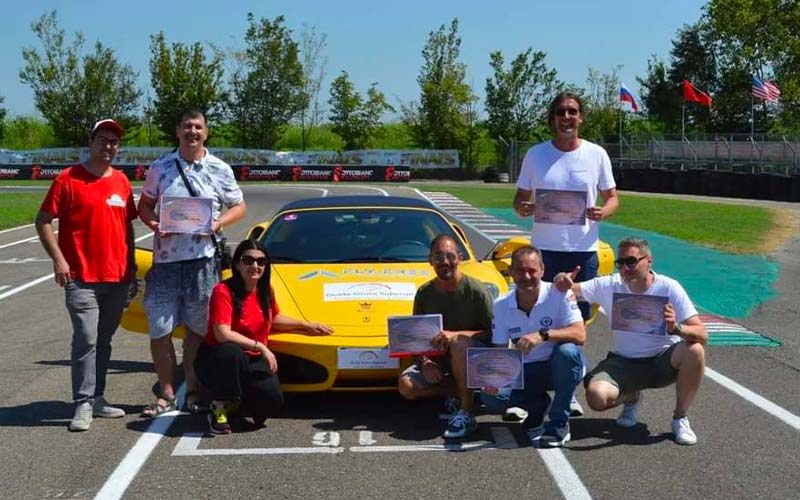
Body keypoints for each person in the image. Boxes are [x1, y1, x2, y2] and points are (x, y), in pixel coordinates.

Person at [513, 91, 619, 416]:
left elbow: (613, 198)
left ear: (580, 117)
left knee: (575, 324)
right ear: (553, 118)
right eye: (561, 111)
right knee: (542, 320)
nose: (567, 117)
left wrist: (603, 211)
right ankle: (533, 392)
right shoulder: (535, 155)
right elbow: (518, 200)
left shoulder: (596, 154)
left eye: (572, 111)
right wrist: (524, 208)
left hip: (581, 253)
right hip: (544, 253)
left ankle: (567, 391)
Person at [138, 108, 247, 417]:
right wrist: (154, 224)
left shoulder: (220, 168)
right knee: (159, 331)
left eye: (198, 127)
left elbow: (239, 206)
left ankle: (194, 392)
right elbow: (145, 205)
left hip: (203, 262)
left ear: (206, 132)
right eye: (187, 126)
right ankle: (166, 393)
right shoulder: (160, 167)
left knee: (197, 332)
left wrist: (218, 223)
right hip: (166, 262)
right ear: (178, 131)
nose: (192, 132)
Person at [553, 237, 707, 445]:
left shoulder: (669, 287)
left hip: (662, 361)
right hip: (623, 362)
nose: (625, 268)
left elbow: (702, 334)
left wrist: (676, 328)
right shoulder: (610, 284)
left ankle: (680, 417)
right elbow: (569, 289)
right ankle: (631, 397)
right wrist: (561, 279)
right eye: (621, 262)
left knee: (695, 350)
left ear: (649, 261)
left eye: (631, 261)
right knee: (596, 398)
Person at [35, 119, 137, 431]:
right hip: (80, 277)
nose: (108, 146)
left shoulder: (121, 181)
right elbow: (42, 220)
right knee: (86, 339)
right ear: (91, 142)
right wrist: (59, 260)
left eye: (114, 142)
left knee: (103, 340)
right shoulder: (67, 179)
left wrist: (132, 266)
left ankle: (98, 397)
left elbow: (127, 227)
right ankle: (82, 402)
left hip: (117, 277)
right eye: (103, 140)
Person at [196, 240, 333, 433]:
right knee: (231, 352)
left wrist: (306, 325)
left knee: (271, 403)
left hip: (251, 357)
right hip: (220, 357)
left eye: (260, 261)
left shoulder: (265, 290)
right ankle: (219, 405)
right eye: (248, 260)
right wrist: (261, 346)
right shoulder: (223, 290)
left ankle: (237, 401)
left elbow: (273, 318)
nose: (255, 266)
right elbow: (222, 334)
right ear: (238, 264)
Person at [480, 245, 586, 447]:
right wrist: (495, 379)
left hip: (560, 366)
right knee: (490, 396)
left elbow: (580, 335)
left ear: (542, 270)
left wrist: (542, 335)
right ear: (511, 272)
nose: (526, 276)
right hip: (527, 370)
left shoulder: (560, 293)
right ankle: (538, 405)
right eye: (520, 271)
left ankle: (559, 423)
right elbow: (500, 350)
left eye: (532, 270)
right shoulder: (501, 305)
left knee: (567, 351)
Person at [397, 234, 493, 439]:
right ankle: (457, 391)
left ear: (460, 258)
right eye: (438, 257)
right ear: (430, 260)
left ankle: (466, 412)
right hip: (440, 358)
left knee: (458, 343)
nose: (445, 262)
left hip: (472, 357)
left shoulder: (476, 290)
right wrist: (425, 362)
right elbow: (417, 337)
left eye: (450, 256)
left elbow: (492, 332)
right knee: (406, 386)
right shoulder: (424, 293)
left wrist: (456, 335)